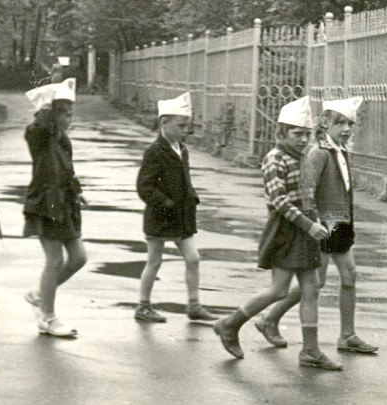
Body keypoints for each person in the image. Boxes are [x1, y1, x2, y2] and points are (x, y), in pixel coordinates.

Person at [212, 98, 342, 370]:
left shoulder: (306, 157)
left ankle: (310, 350)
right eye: (297, 134)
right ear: (282, 133)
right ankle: (230, 323)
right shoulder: (274, 158)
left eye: (307, 134)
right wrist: (309, 225)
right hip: (285, 229)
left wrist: (320, 220)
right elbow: (280, 202)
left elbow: (310, 194)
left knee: (311, 288)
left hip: (306, 227)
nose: (303, 139)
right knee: (279, 289)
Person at [256, 96, 378, 356]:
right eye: (340, 123)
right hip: (323, 223)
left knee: (349, 277)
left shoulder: (341, 150)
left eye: (350, 124)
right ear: (325, 123)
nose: (346, 129)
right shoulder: (320, 153)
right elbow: (306, 190)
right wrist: (313, 223)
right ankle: (270, 318)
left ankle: (348, 335)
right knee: (315, 282)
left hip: (340, 222)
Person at [134, 92, 217, 323]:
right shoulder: (154, 151)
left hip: (182, 214)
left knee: (193, 259)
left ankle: (193, 305)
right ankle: (143, 306)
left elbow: (184, 178)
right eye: (181, 125)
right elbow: (145, 186)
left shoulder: (183, 149)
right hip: (160, 215)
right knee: (155, 261)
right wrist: (165, 202)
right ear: (164, 123)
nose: (185, 130)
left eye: (187, 126)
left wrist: (191, 195)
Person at [22, 78, 88, 337]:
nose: (69, 119)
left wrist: (78, 189)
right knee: (55, 259)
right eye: (64, 114)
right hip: (45, 204)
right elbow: (40, 125)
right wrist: (48, 105)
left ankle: (40, 294)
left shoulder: (64, 140)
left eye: (71, 114)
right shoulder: (37, 135)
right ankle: (47, 317)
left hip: (65, 204)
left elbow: (68, 170)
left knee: (79, 258)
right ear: (50, 115)